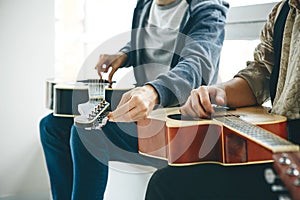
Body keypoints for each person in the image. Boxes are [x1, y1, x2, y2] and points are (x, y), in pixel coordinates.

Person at [39, 0, 229, 199]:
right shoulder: (145, 5)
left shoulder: (208, 8)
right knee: (51, 126)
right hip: (146, 111)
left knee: (88, 129)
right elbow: (150, 41)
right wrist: (124, 55)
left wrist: (153, 91)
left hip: (180, 122)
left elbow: (197, 65)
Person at [145, 0, 300, 199]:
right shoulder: (282, 11)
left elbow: (196, 60)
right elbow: (260, 73)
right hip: (279, 147)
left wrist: (155, 91)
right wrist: (217, 92)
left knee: (167, 185)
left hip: (286, 156)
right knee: (167, 180)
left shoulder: (207, 7)